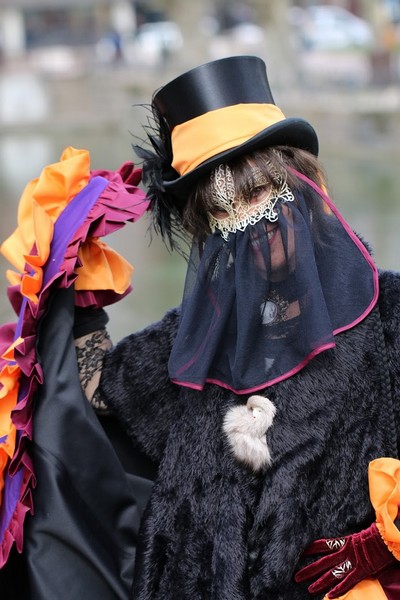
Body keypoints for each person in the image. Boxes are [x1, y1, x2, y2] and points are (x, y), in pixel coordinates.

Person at [1, 55, 400, 599]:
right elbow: (94, 389)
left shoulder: (389, 314)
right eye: (223, 207)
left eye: (261, 193)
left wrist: (385, 543)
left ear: (303, 183)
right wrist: (73, 272)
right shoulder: (191, 340)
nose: (253, 224)